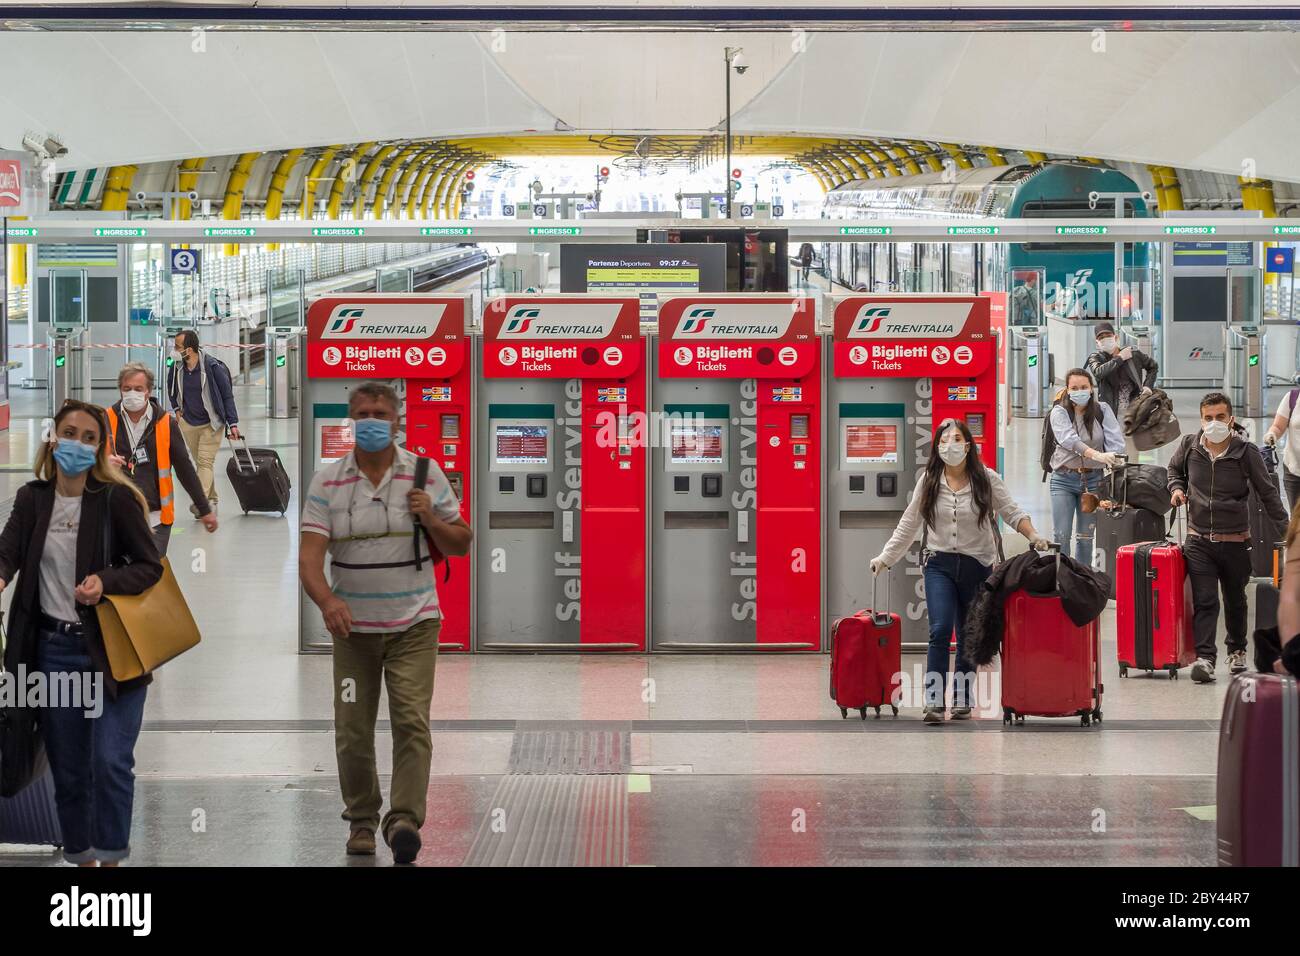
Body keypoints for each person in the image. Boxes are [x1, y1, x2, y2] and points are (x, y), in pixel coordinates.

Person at [299, 382, 473, 863]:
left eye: (380, 413)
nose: (371, 420)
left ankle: (403, 820)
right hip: (353, 631)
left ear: (396, 420)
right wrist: (327, 600)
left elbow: (461, 541)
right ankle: (360, 819)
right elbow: (310, 559)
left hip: (415, 625)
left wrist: (431, 519)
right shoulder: (327, 481)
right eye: (362, 413)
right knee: (352, 728)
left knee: (411, 721)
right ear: (350, 420)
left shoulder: (424, 473)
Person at [0, 400, 163, 866]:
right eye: (69, 432)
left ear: (100, 448)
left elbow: (149, 567)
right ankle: (83, 863)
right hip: (52, 654)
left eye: (89, 437)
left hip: (110, 653)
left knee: (109, 762)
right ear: (53, 437)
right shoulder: (32, 499)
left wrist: (105, 582)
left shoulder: (115, 501)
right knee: (69, 771)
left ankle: (111, 862)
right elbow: (6, 552)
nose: (77, 443)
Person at [870, 418, 1050, 724]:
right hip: (938, 564)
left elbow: (1012, 512)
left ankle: (962, 699)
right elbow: (909, 523)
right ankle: (933, 702)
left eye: (955, 440)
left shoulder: (987, 479)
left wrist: (1033, 535)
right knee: (940, 630)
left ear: (968, 446)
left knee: (969, 633)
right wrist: (887, 557)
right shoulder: (929, 480)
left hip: (977, 565)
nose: (949, 446)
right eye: (943, 440)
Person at [1169, 392, 1289, 683]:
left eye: (1220, 417)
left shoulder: (1245, 452)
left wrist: (1290, 532)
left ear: (1230, 418)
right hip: (1199, 540)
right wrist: (1176, 488)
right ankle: (1205, 658)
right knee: (1206, 600)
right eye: (1208, 418)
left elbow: (1268, 494)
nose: (1214, 423)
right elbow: (1174, 470)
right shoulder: (1189, 445)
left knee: (1235, 600)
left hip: (1236, 540)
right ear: (1201, 419)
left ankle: (1237, 650)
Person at [107, 362, 217, 556]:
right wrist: (103, 464)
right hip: (116, 514)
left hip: (156, 517)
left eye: (138, 389)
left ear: (148, 391)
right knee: (121, 576)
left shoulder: (166, 424)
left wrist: (204, 508)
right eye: (127, 389)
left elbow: (185, 469)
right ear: (120, 390)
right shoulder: (105, 420)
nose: (132, 393)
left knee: (149, 572)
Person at [1047, 368, 1125, 565]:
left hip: (1093, 480)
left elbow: (1116, 441)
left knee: (1086, 537)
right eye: (1074, 388)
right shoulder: (1059, 412)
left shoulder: (1102, 410)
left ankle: (1082, 580)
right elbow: (1068, 440)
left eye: (1084, 387)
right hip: (1063, 479)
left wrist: (1113, 456)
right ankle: (1062, 578)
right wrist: (1096, 454)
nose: (1079, 391)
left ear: (1091, 389)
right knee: (1061, 535)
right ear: (1067, 389)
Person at [165, 330, 240, 516]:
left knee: (205, 462)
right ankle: (212, 500)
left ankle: (201, 503)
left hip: (211, 423)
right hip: (189, 422)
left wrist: (233, 423)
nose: (174, 350)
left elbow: (227, 396)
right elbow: (171, 388)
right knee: (201, 463)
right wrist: (176, 409)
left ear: (189, 350)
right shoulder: (176, 366)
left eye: (177, 347)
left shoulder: (213, 367)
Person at [1085, 322, 1158, 425]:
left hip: (1135, 410)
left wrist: (1148, 386)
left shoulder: (1134, 354)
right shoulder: (1096, 358)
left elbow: (1153, 366)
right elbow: (1098, 372)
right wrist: (1120, 358)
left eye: (1108, 336)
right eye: (1101, 338)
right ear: (1097, 342)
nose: (1105, 339)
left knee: (1136, 440)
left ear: (1116, 337)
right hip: (1110, 412)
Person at [1261, 386, 1300, 509]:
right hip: (1293, 469)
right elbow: (1278, 426)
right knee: (1296, 520)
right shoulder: (1293, 398)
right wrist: (1272, 434)